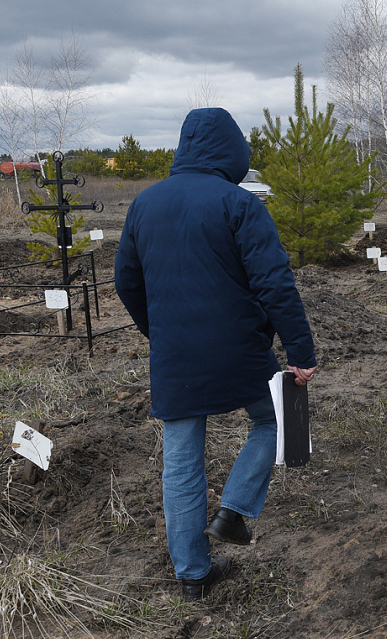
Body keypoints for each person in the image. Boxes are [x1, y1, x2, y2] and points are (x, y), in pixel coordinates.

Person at [115, 107, 317, 601]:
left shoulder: (144, 205)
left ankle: (193, 574)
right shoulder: (238, 203)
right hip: (239, 351)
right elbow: (274, 283)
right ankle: (235, 510)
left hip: (174, 357)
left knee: (181, 463)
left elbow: (126, 283)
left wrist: (159, 333)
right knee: (278, 420)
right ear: (233, 151)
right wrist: (300, 349)